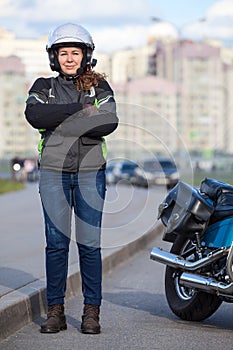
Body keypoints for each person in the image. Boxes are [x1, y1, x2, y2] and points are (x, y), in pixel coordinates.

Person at [25, 23, 118, 334]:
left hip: (91, 173)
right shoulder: (43, 87)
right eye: (62, 53)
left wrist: (64, 117)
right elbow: (36, 116)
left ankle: (92, 313)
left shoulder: (99, 90)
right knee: (56, 244)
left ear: (85, 56)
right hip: (53, 173)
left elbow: (108, 122)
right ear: (55, 57)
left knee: (90, 245)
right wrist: (81, 111)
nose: (68, 58)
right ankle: (56, 312)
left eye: (74, 53)